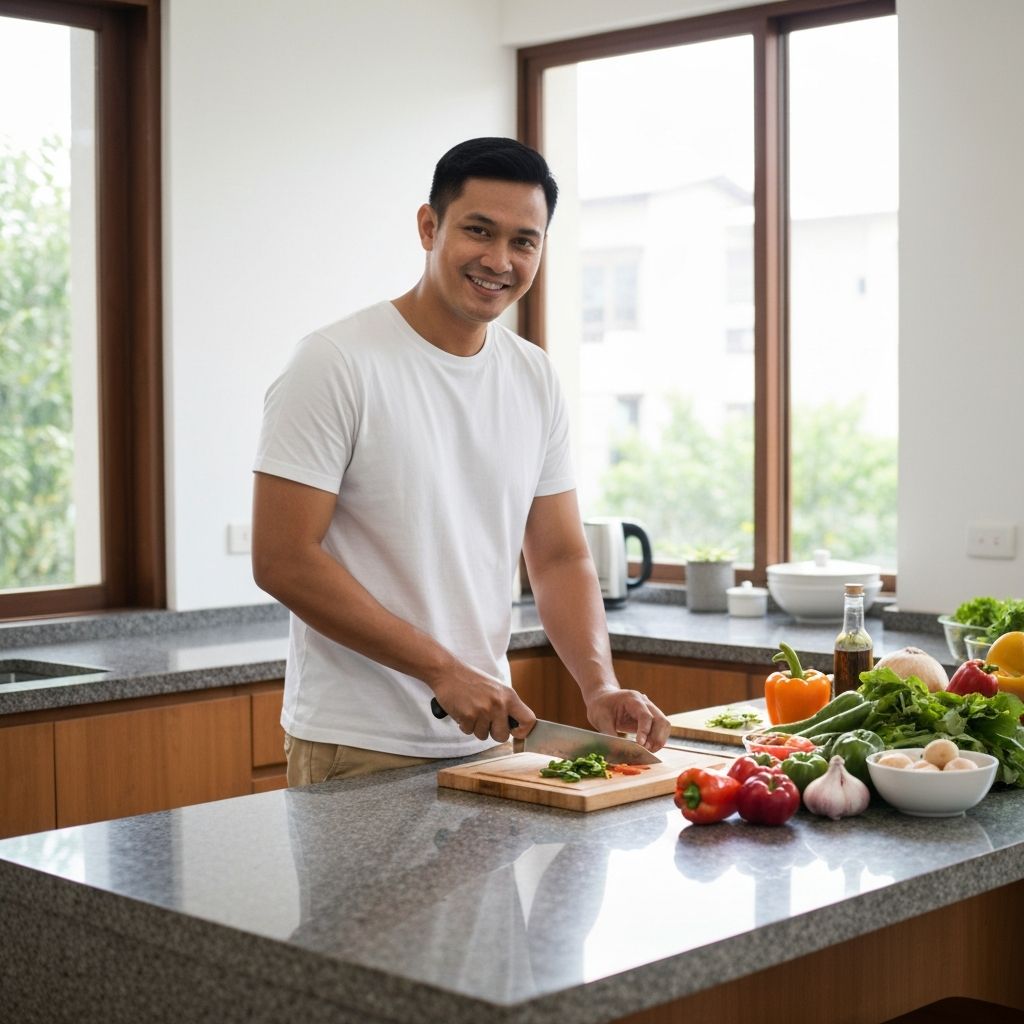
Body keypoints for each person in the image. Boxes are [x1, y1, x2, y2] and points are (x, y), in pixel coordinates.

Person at [251, 136, 670, 786]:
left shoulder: (533, 378)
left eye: (523, 241)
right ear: (429, 227)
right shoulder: (335, 364)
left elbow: (559, 555)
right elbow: (283, 559)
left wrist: (598, 684)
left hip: (485, 744)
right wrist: (442, 670)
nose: (499, 260)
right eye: (479, 231)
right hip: (359, 744)